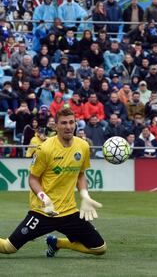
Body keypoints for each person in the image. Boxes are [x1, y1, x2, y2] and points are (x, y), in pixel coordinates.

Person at [0, 108, 106, 257]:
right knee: (8, 247)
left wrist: (85, 196)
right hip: (43, 212)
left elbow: (80, 175)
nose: (68, 127)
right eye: (63, 123)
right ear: (56, 126)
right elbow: (33, 179)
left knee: (100, 248)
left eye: (71, 122)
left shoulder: (83, 146)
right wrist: (44, 198)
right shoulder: (44, 149)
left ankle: (56, 243)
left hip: (69, 212)